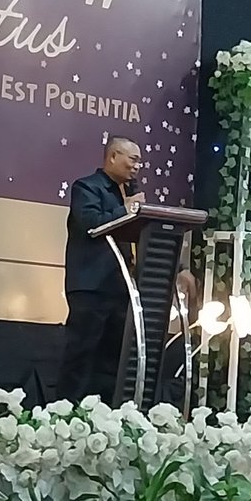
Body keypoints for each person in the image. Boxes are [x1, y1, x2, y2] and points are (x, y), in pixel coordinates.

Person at [59, 136, 197, 402]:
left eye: (140, 162)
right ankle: (66, 410)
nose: (137, 167)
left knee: (115, 359)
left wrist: (179, 267)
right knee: (82, 354)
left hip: (122, 287)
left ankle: (108, 411)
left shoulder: (128, 194)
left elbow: (144, 232)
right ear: (113, 156)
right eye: (133, 160)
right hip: (91, 286)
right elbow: (91, 223)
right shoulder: (87, 187)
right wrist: (127, 209)